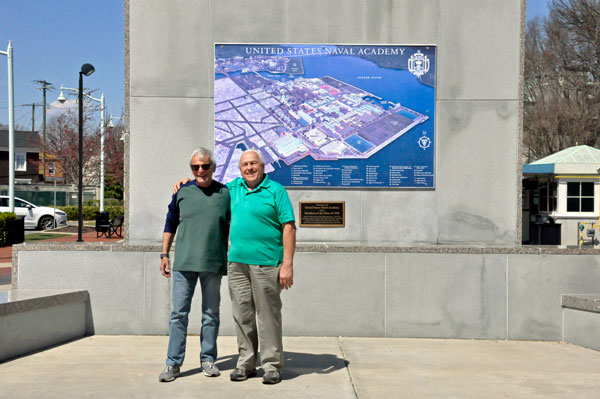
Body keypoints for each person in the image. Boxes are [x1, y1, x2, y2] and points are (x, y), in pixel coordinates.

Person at [173, 148, 296, 385]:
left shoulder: (276, 191)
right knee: (242, 314)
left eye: (253, 164)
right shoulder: (234, 189)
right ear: (239, 169)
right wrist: (189, 182)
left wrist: (287, 265)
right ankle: (246, 363)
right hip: (237, 264)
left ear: (262, 166)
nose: (249, 168)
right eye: (244, 165)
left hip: (267, 263)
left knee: (268, 315)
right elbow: (207, 185)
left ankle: (271, 365)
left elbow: (289, 227)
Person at [158, 148, 230, 383]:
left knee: (211, 314)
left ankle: (208, 359)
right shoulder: (182, 192)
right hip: (184, 264)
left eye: (205, 166)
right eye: (195, 167)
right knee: (178, 314)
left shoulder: (225, 192)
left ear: (214, 167)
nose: (201, 171)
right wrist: (164, 254)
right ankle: (173, 363)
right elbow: (170, 223)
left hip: (212, 262)